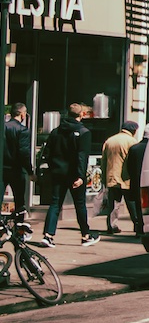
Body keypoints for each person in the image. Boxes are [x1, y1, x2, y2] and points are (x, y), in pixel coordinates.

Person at [41, 103, 94, 244]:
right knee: (80, 204)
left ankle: (48, 234)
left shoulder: (56, 131)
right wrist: (81, 176)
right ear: (81, 115)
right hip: (74, 174)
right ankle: (85, 235)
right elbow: (82, 156)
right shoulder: (84, 132)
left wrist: (53, 168)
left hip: (58, 173)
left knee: (55, 204)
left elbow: (47, 153)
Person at [99, 121, 141, 236]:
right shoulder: (132, 142)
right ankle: (137, 225)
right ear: (133, 130)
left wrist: (104, 178)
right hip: (126, 178)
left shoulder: (110, 140)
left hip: (112, 177)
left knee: (113, 204)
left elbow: (103, 162)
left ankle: (111, 226)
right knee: (131, 203)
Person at [3, 103, 30, 214]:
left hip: (3, 168)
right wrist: (30, 170)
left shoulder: (3, 127)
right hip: (16, 169)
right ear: (22, 114)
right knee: (19, 199)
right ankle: (19, 225)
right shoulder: (23, 130)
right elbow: (23, 152)